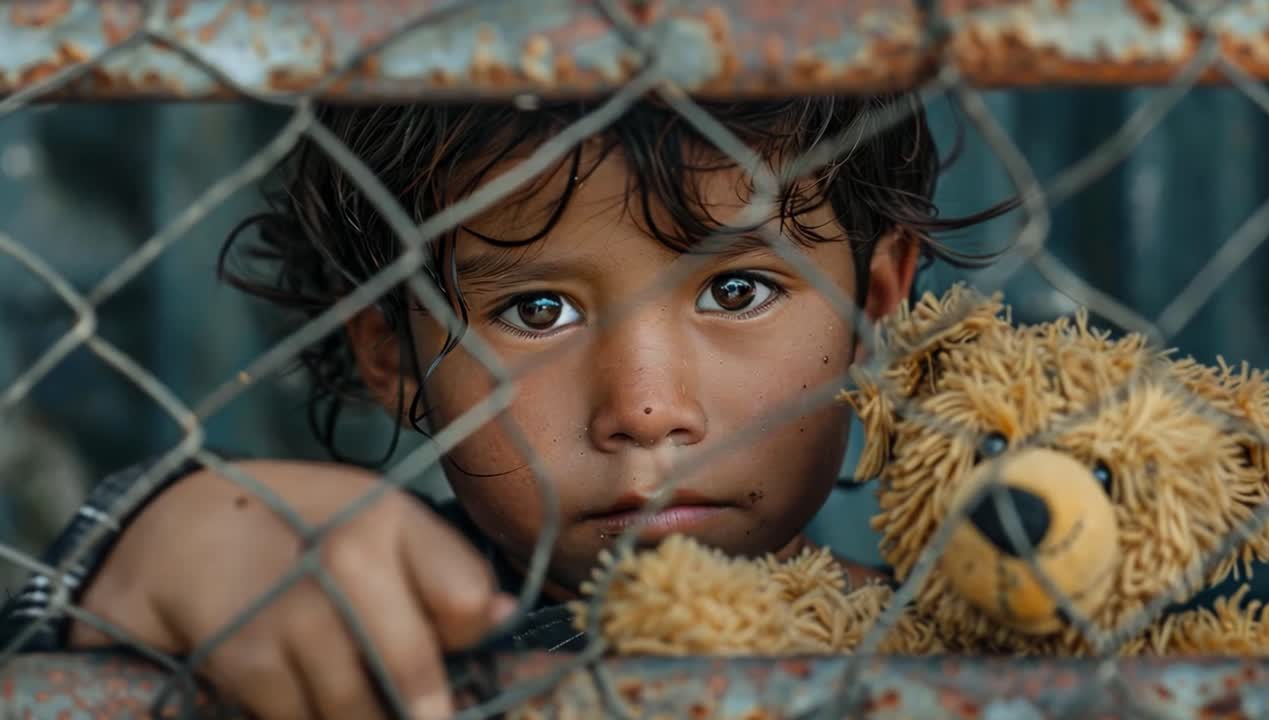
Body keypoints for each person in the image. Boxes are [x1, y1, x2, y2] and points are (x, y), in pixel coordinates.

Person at [0, 95, 1008, 719]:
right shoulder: (369, 629)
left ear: (873, 303)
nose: (645, 410)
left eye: (736, 291)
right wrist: (169, 540)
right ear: (394, 354)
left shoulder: (971, 639)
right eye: (537, 311)